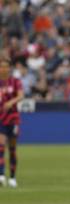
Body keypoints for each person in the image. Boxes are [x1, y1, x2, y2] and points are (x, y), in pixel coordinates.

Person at [0, 55, 24, 188]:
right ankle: (1, 175)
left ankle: (13, 177)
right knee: (0, 146)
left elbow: (21, 95)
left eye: (6, 66)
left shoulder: (15, 81)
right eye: (1, 66)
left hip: (13, 118)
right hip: (0, 119)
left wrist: (11, 101)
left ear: (9, 68)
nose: (4, 69)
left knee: (12, 149)